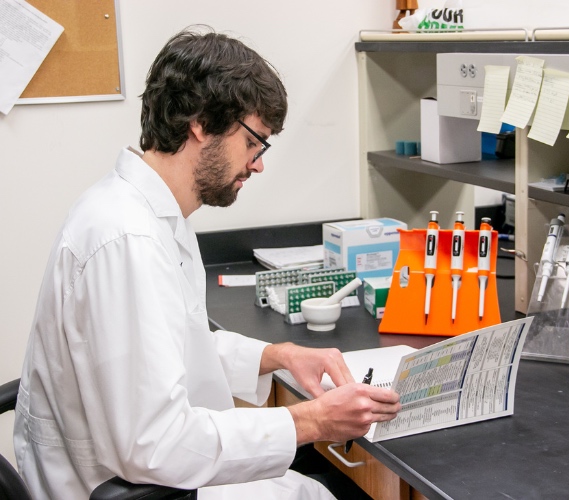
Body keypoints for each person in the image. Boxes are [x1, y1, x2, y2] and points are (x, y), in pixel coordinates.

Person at [13, 26, 401, 499]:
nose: (258, 163)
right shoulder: (126, 239)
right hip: (127, 486)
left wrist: (274, 356)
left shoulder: (146, 213)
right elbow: (154, 444)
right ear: (200, 122)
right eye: (255, 141)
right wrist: (311, 420)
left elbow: (167, 349)